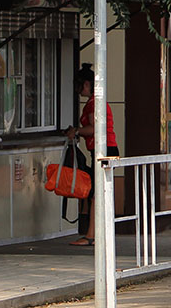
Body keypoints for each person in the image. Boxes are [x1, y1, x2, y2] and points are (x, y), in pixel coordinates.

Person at [65, 64, 119, 247]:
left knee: (96, 193)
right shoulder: (98, 102)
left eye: (80, 85)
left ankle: (91, 235)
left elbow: (94, 128)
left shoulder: (93, 104)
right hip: (108, 149)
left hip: (103, 150)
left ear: (87, 84)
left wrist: (77, 131)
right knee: (100, 191)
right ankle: (97, 233)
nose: (78, 89)